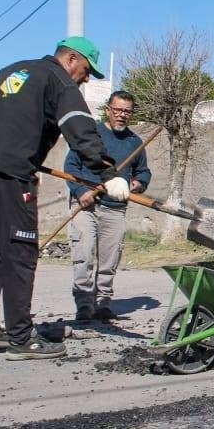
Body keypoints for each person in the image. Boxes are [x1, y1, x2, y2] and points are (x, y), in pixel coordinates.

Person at [0, 37, 130, 361]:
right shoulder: (59, 81)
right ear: (71, 60)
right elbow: (80, 130)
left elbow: (12, 121)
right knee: (20, 253)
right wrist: (109, 175)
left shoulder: (12, 71)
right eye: (86, 70)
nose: (86, 78)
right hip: (9, 173)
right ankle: (21, 339)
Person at [65, 91, 151, 322]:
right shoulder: (91, 135)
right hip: (86, 207)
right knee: (83, 257)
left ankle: (102, 304)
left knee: (109, 261)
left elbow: (143, 171)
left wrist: (138, 183)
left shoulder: (135, 143)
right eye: (118, 110)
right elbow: (70, 166)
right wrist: (81, 191)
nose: (122, 115)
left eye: (127, 111)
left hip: (115, 208)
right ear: (108, 110)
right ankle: (84, 305)